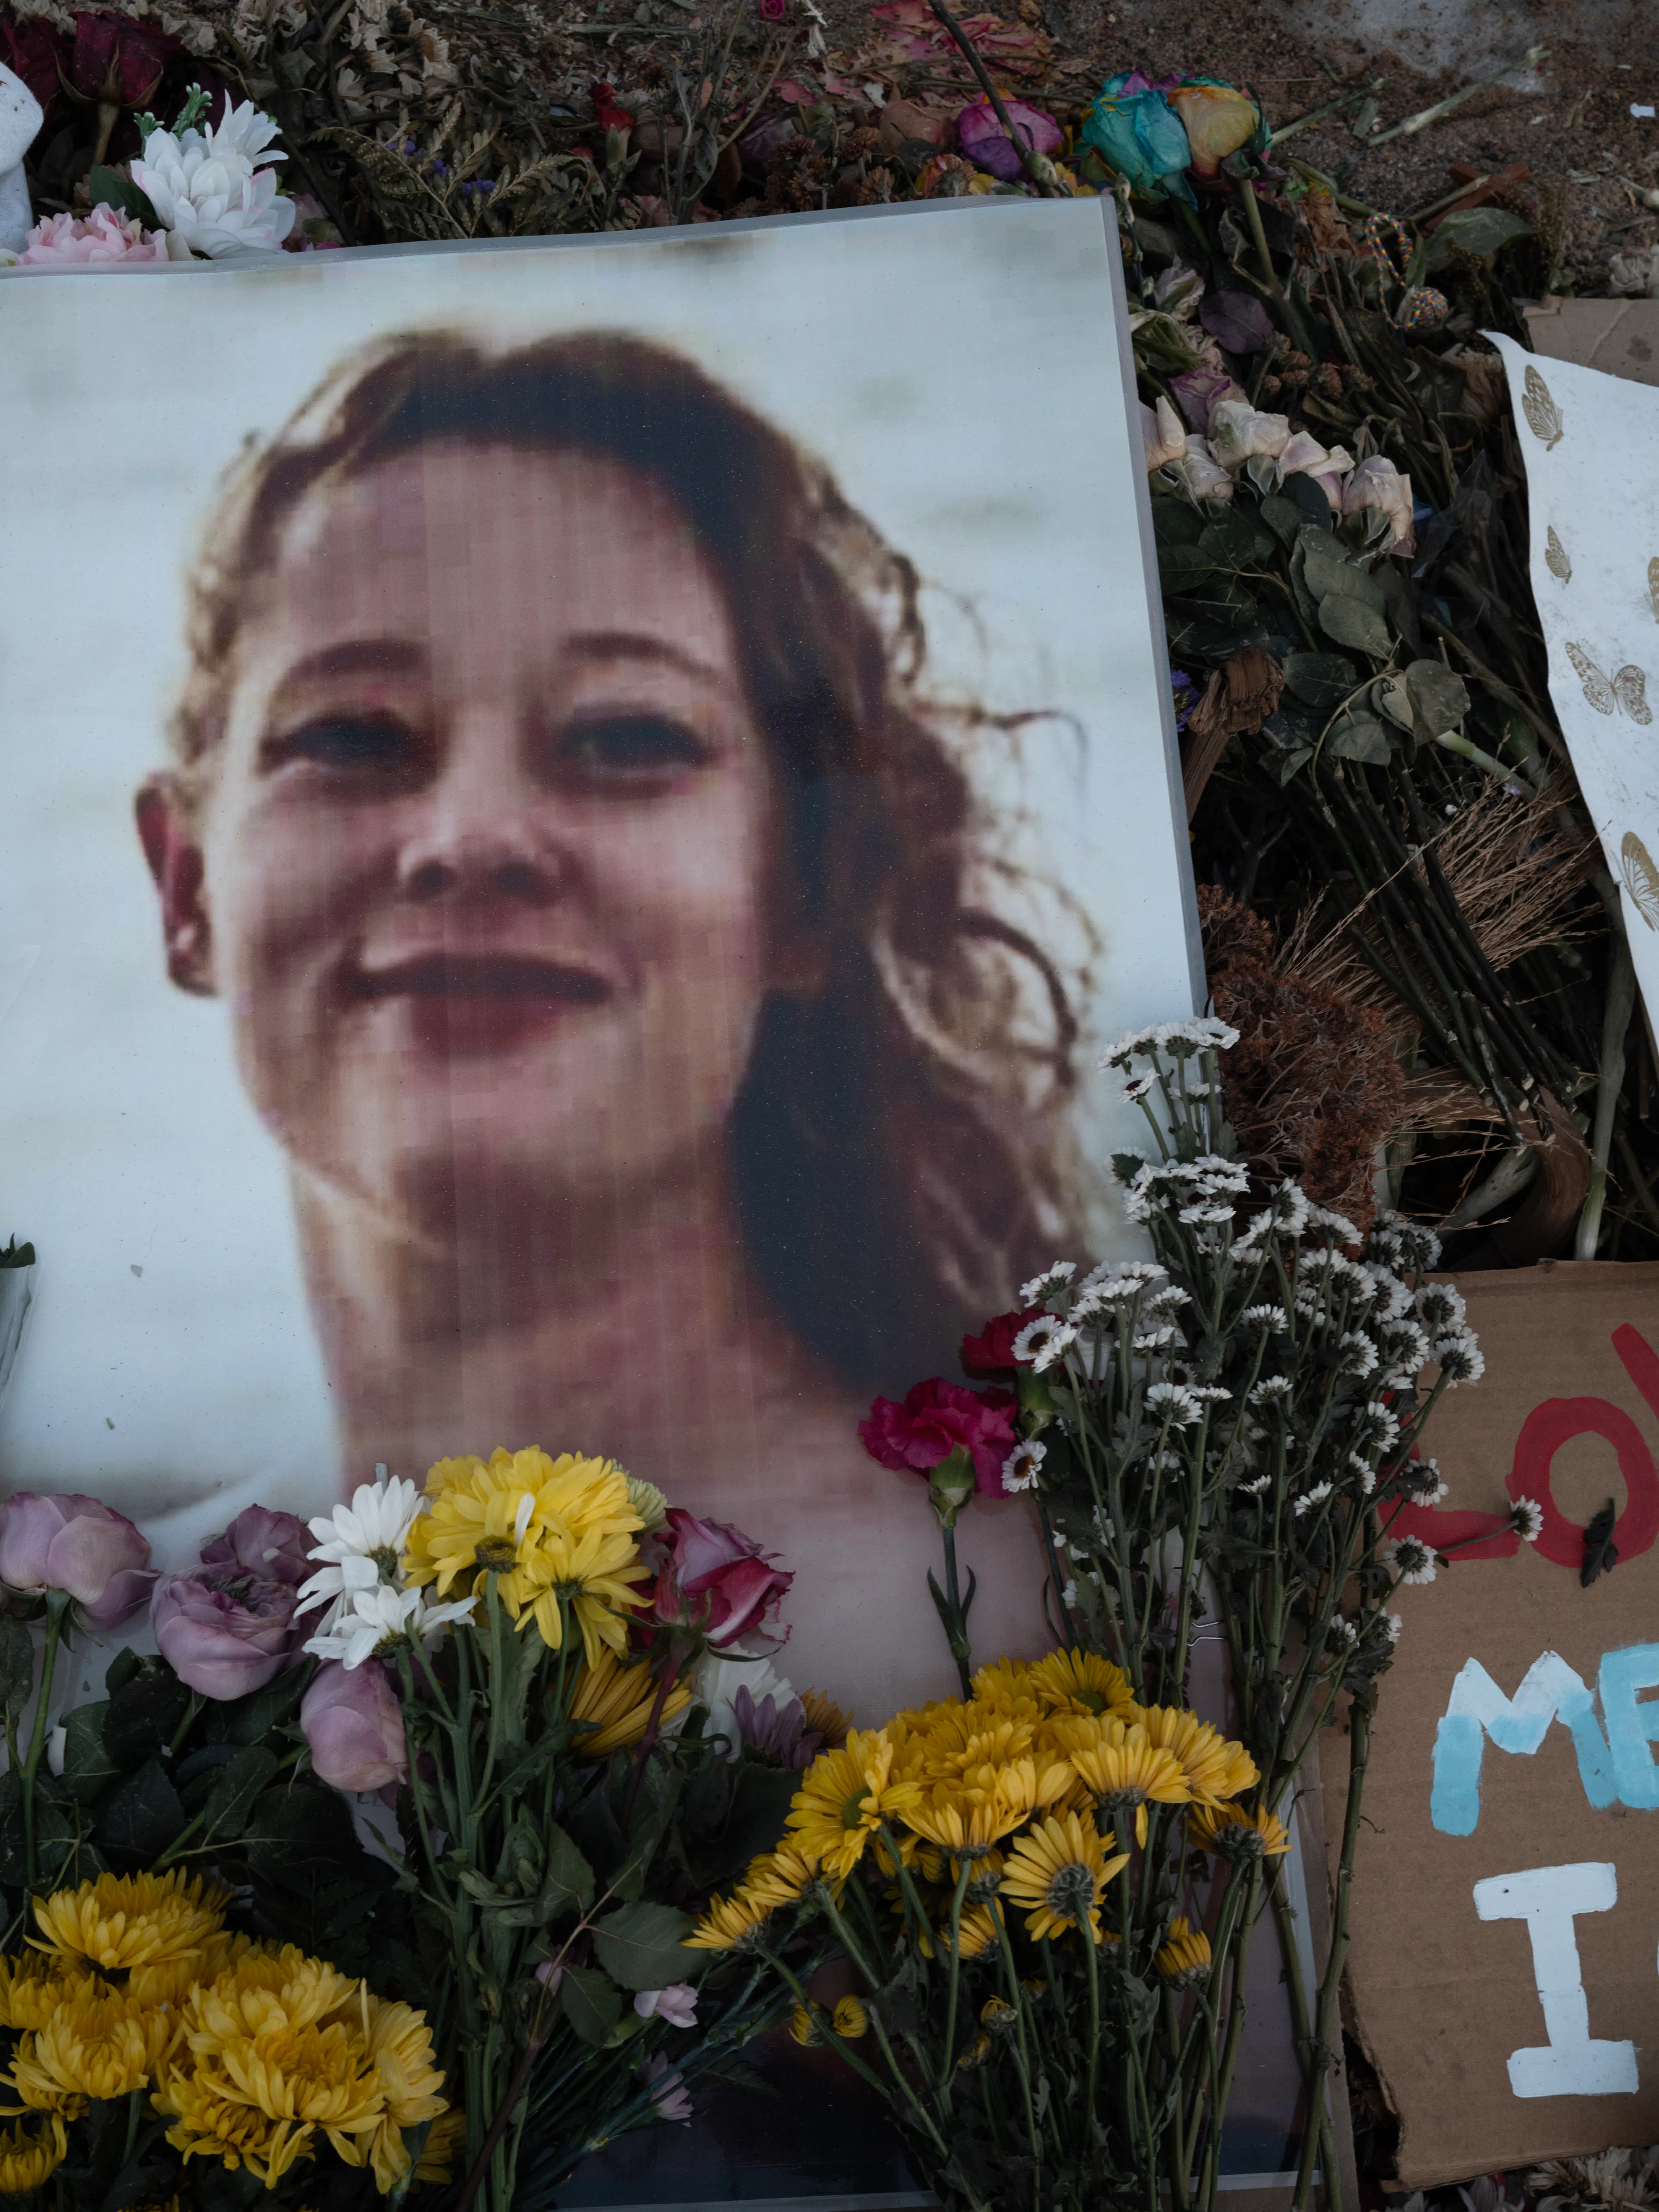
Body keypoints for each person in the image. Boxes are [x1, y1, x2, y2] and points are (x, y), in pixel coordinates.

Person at [131, 327, 1094, 1718]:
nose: (470, 836)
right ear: (186, 889)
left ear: (804, 884)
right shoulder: (77, 1658)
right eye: (351, 735)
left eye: (627, 736)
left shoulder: (1060, 1634)